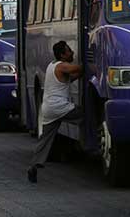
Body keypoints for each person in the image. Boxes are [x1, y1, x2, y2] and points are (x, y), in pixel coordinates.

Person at [27, 41, 83, 183]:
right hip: (59, 107)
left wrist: (79, 75)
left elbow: (68, 79)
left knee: (45, 140)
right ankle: (92, 144)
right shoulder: (62, 65)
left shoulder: (51, 66)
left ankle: (33, 166)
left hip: (48, 109)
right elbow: (79, 68)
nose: (72, 53)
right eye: (69, 51)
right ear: (62, 55)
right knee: (85, 116)